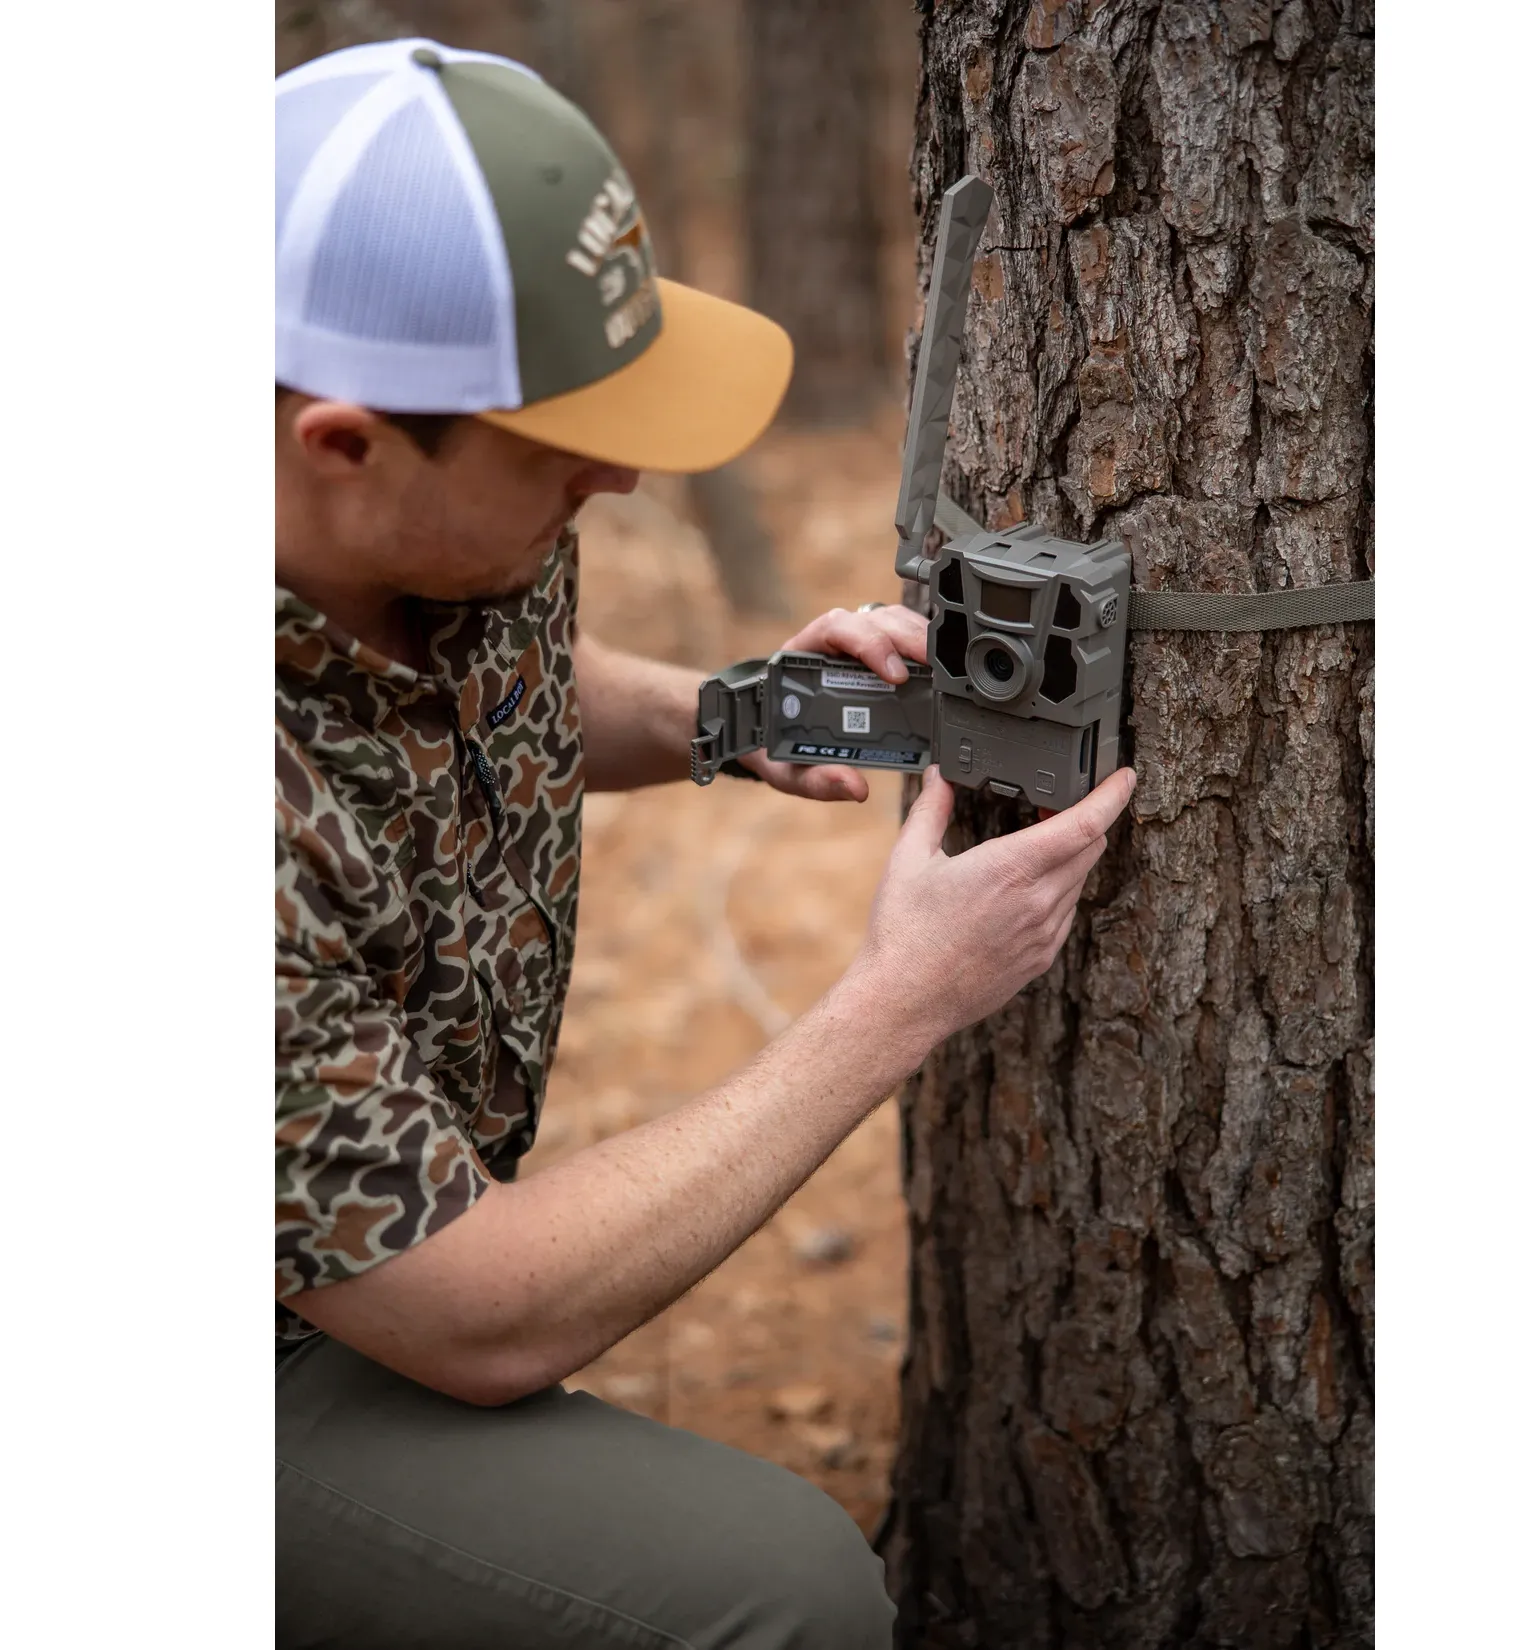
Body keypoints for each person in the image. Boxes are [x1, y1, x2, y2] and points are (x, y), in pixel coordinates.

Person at [274, 38, 1136, 1650]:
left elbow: (500, 689)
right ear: (345, 445)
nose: (619, 472)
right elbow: (472, 1311)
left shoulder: (421, 533)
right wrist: (901, 997)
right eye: (566, 444)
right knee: (769, 1594)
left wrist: (731, 717)